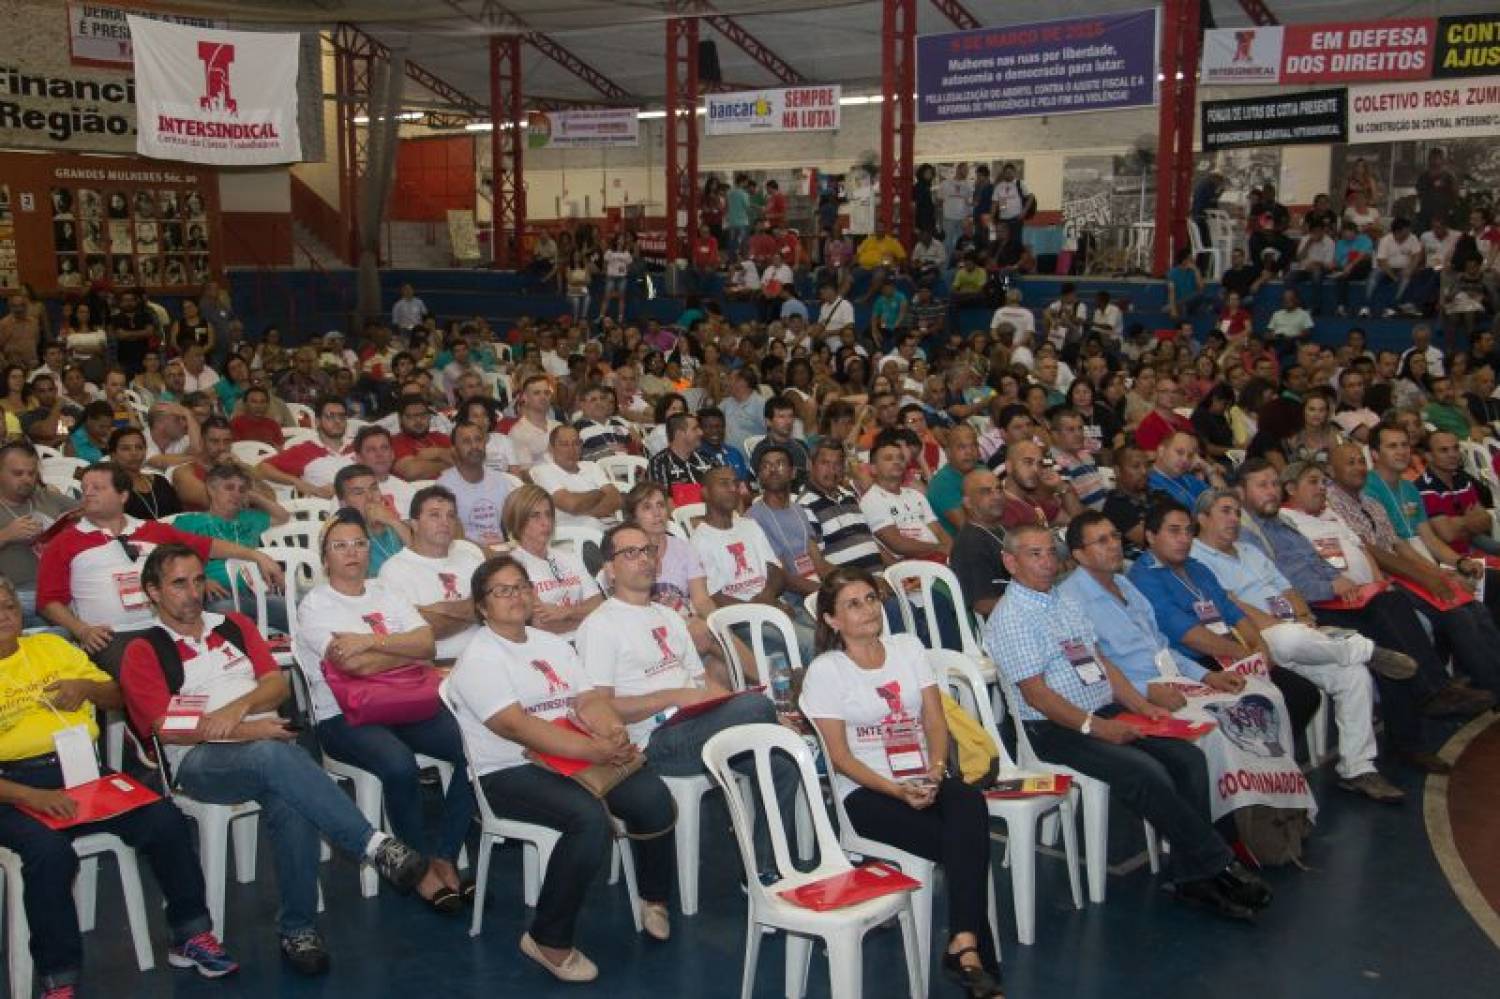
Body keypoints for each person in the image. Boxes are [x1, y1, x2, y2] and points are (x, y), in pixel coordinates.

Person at [119, 545, 427, 976]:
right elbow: (168, 727)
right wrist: (251, 730)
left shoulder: (234, 625)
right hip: (197, 761)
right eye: (178, 584)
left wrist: (236, 712)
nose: (192, 592)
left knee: (288, 796)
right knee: (274, 754)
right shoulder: (144, 650)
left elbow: (275, 686)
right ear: (152, 591)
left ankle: (298, 929)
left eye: (197, 580)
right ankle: (372, 845)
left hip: (262, 746)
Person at [986, 524, 1273, 921]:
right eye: (1034, 554)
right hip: (1056, 730)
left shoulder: (1061, 602)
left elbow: (1102, 664)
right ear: (1010, 562)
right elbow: (1038, 696)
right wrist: (1097, 727)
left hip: (1104, 710)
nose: (1047, 561)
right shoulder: (1012, 616)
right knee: (1145, 773)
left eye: (1050, 552)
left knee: (1186, 759)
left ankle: (1194, 877)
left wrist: (1139, 704)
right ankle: (1219, 864)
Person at [0, 577, 242, 997]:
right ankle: (58, 977)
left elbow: (117, 695)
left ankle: (189, 932)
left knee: (164, 818)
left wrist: (86, 689)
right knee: (48, 853)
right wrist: (32, 797)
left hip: (81, 769)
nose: (4, 616)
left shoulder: (51, 648)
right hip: (13, 786)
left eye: (8, 606)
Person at [446, 556, 675, 982]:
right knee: (587, 820)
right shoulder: (479, 657)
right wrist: (595, 750)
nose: (516, 597)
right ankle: (547, 939)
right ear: (481, 606)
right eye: (503, 590)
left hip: (571, 757)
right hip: (507, 771)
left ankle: (654, 898)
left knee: (652, 796)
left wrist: (611, 731)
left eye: (521, 587)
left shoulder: (548, 644)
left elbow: (587, 699)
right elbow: (517, 727)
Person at [801, 567, 1004, 998]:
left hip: (922, 775)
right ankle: (971, 952)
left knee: (967, 800)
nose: (868, 609)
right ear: (832, 621)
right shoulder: (827, 671)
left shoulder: (908, 648)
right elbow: (839, 757)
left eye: (871, 599)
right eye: (853, 604)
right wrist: (896, 790)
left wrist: (934, 770)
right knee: (963, 840)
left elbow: (934, 719)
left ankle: (964, 943)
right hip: (867, 792)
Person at [1238, 459, 1491, 771]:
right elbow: (1280, 581)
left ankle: (1425, 708)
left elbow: (1317, 561)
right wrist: (1330, 585)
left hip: (1336, 598)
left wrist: (1340, 581)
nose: (1272, 492)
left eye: (1274, 484)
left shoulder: (1283, 524)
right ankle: (1428, 700)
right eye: (1262, 485)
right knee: (1386, 631)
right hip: (1305, 610)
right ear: (1241, 492)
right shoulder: (1249, 533)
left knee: (1391, 610)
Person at [576, 523, 797, 873]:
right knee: (757, 705)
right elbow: (600, 709)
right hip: (655, 743)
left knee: (780, 762)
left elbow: (702, 685)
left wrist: (754, 715)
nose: (644, 559)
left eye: (648, 550)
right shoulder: (600, 626)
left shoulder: (669, 617)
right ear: (609, 568)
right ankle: (762, 714)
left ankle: (763, 872)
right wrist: (675, 695)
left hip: (700, 727)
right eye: (630, 553)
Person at [293, 509, 476, 912]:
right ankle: (418, 866)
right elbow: (349, 665)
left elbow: (426, 645)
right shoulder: (316, 605)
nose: (352, 552)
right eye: (339, 546)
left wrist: (368, 643)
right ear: (325, 557)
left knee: (473, 747)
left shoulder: (386, 593)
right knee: (398, 765)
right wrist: (397, 647)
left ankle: (444, 853)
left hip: (406, 701)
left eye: (359, 543)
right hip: (343, 714)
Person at [1185, 490, 1405, 802]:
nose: (1234, 518)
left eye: (1237, 511)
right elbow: (1235, 608)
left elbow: (1286, 587)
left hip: (1299, 637)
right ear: (1202, 518)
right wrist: (1285, 627)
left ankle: (1358, 768)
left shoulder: (1249, 550)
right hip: (1254, 640)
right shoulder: (1196, 559)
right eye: (1225, 511)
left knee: (1353, 675)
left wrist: (1304, 618)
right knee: (1292, 638)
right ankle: (1365, 649)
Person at [37, 462, 283, 676]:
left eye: (97, 488)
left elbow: (208, 546)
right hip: (111, 636)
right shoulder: (65, 541)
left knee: (230, 662)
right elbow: (47, 601)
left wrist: (256, 555)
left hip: (168, 627)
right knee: (162, 673)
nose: (87, 494)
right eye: (85, 489)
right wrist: (82, 630)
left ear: (123, 495)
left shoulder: (151, 531)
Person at [173, 463, 291, 631]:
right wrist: (201, 581)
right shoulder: (188, 522)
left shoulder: (251, 518)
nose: (236, 493)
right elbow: (173, 559)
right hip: (219, 594)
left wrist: (254, 496)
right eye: (229, 487)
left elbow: (283, 516)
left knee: (298, 611)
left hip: (255, 592)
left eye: (241, 490)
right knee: (226, 616)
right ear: (211, 490)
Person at [375, 486, 484, 663]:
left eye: (450, 515)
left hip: (486, 658)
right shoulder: (394, 570)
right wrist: (479, 609)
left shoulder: (472, 560)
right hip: (436, 665)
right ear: (414, 524)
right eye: (435, 515)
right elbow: (420, 633)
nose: (445, 522)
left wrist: (440, 610)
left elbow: (501, 609)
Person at [500, 485, 603, 644]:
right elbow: (541, 625)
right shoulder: (512, 568)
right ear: (517, 520)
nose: (546, 522)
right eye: (536, 516)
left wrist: (565, 613)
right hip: (548, 647)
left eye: (549, 514)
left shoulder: (570, 557)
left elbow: (599, 605)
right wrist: (584, 615)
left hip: (589, 639)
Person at [0, 441, 77, 628]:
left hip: (58, 592)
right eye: (18, 473)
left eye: (32, 473)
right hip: (11, 598)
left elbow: (90, 511)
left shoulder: (46, 497)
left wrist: (73, 524)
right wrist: (6, 535)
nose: (27, 479)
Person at [860, 432, 951, 564]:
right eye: (888, 458)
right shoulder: (871, 500)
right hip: (909, 565)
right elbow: (898, 544)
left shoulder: (916, 495)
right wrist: (939, 548)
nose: (896, 461)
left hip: (939, 558)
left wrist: (949, 551)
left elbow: (940, 532)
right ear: (873, 469)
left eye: (900, 458)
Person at [529, 425, 621, 534]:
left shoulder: (591, 466)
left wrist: (581, 509)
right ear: (551, 448)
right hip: (577, 534)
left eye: (576, 444)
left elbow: (616, 498)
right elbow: (571, 504)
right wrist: (599, 494)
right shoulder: (541, 471)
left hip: (611, 528)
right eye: (564, 444)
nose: (571, 450)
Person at [948, 469, 1012, 618]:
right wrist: (1028, 599)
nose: (997, 496)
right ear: (968, 503)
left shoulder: (1001, 528)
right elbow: (982, 604)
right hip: (1003, 623)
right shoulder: (970, 544)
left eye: (999, 489)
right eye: (986, 492)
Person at [437, 420, 511, 547]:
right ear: (454, 450)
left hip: (502, 550)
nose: (474, 446)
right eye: (466, 441)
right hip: (466, 554)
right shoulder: (443, 487)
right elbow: (450, 536)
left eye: (478, 440)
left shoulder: (500, 479)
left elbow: (512, 524)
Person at [926, 424, 980, 537]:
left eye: (973, 446)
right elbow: (967, 529)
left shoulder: (982, 470)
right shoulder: (942, 484)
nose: (969, 452)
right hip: (962, 547)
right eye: (961, 447)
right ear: (948, 452)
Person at [646, 412, 719, 490]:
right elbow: (661, 498)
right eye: (695, 429)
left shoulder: (707, 459)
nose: (701, 432)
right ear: (679, 433)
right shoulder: (659, 463)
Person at [507, 375, 560, 472]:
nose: (543, 397)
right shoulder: (518, 433)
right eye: (537, 393)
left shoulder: (558, 426)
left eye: (546, 393)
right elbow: (526, 473)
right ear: (525, 398)